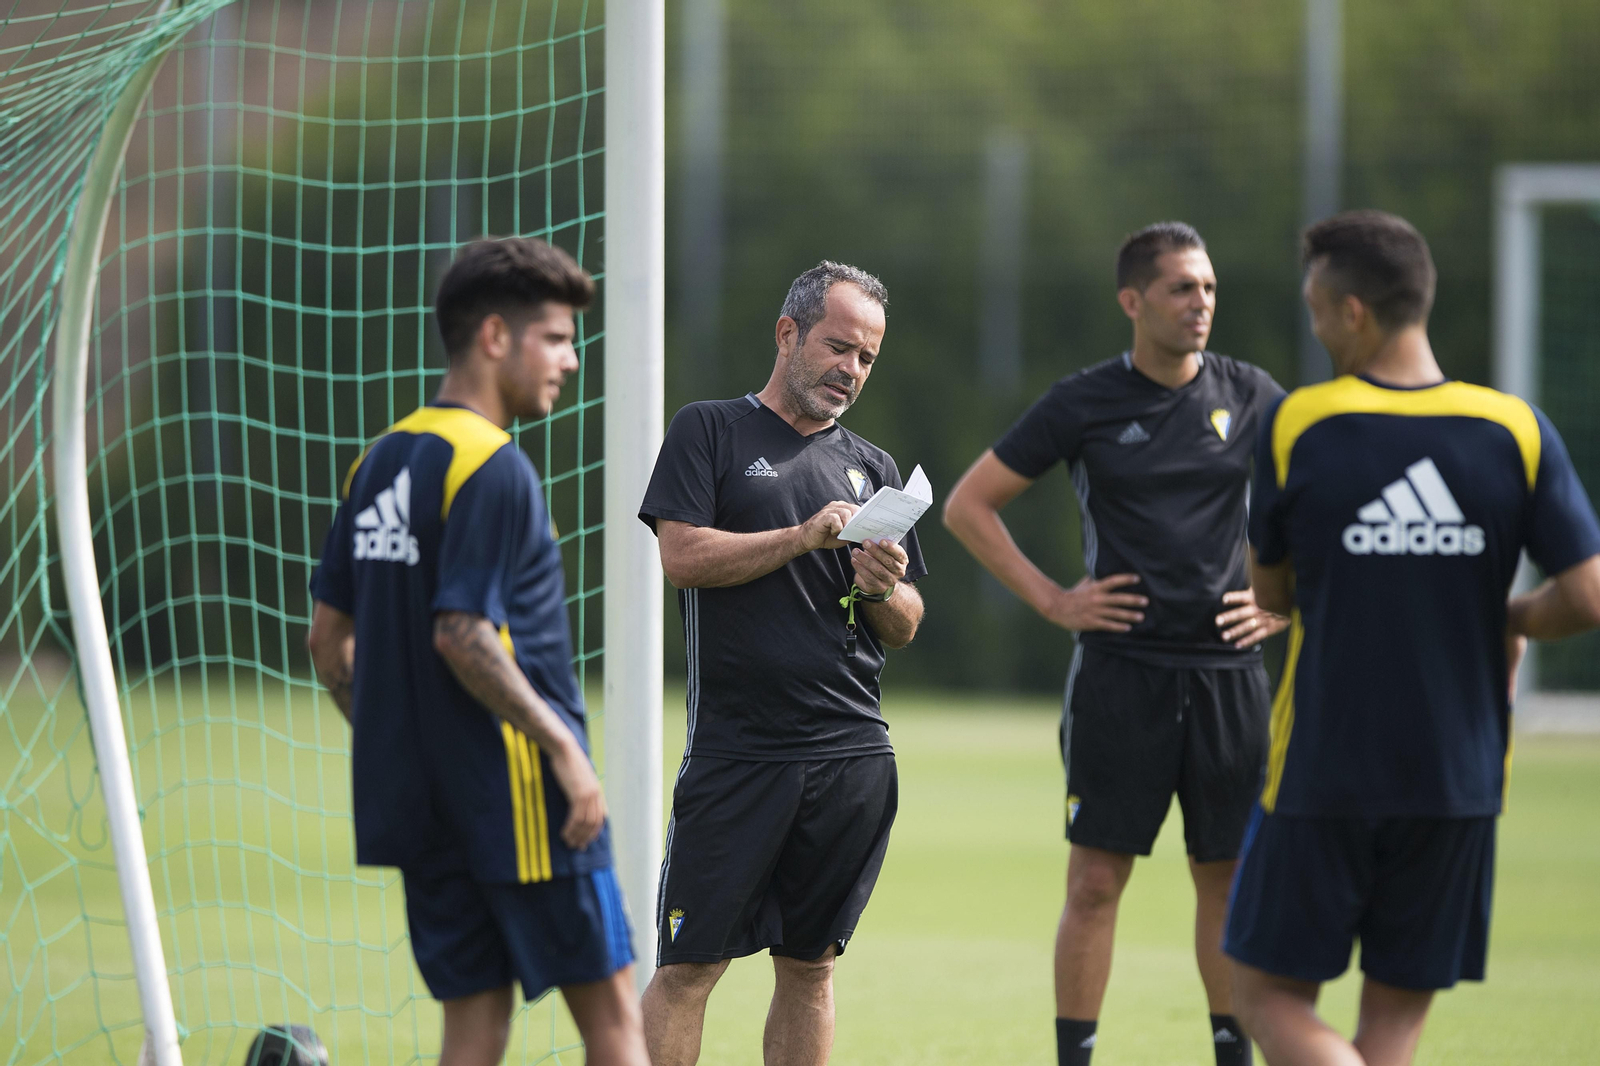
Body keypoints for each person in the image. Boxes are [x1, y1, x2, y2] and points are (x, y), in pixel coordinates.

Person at [1227, 210, 1600, 1066]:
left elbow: (1270, 590)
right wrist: (1507, 616)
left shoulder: (1303, 424)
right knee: (1394, 1025)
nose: (1315, 325)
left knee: (1263, 995)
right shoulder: (1517, 428)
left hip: (1325, 768)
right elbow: (1586, 595)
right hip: (1459, 777)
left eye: (1317, 307)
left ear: (1352, 309)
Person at [943, 222, 1287, 1066]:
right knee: (1095, 884)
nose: (1201, 302)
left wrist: (1284, 605)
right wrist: (1056, 601)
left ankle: (1231, 1054)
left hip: (1229, 679)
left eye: (1208, 287)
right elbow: (968, 506)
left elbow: (1322, 506)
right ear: (1134, 301)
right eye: (1181, 288)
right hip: (1119, 677)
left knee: (1228, 880)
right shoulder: (1084, 401)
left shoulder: (1254, 397)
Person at [305, 238, 648, 1066]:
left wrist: (403, 737)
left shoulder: (380, 458)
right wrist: (564, 748)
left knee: (473, 1030)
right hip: (525, 799)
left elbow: (324, 641)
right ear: (496, 337)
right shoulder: (495, 467)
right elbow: (460, 633)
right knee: (613, 1022)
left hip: (421, 804)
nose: (572, 359)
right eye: (558, 338)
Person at [637, 261, 927, 1066]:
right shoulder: (710, 431)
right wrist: (802, 535)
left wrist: (883, 587)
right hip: (739, 755)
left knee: (811, 969)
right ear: (788, 333)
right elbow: (683, 556)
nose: (852, 370)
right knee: (689, 968)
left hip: (852, 756)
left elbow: (904, 625)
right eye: (839, 347)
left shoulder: (876, 468)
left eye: (867, 358)